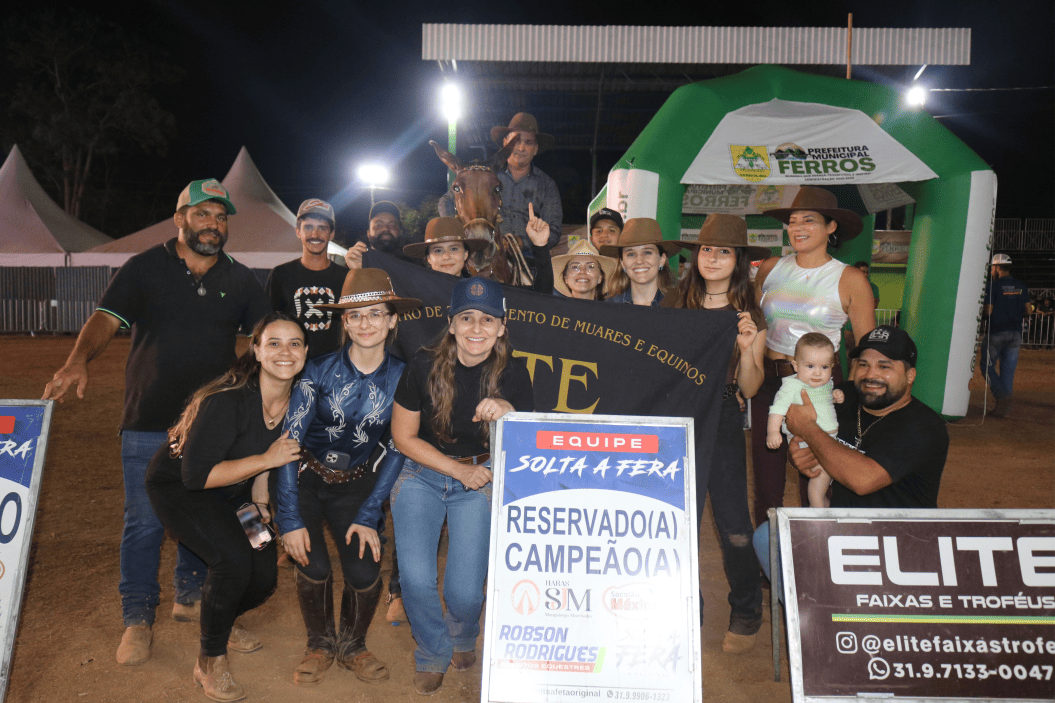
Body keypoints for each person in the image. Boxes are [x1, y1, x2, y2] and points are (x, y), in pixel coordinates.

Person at [41, 179, 270, 666]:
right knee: (144, 522)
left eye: (221, 217)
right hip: (148, 419)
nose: (213, 224)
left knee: (209, 513)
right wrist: (77, 360)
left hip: (212, 423)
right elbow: (106, 318)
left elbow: (266, 337)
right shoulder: (144, 267)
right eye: (203, 214)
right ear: (180, 218)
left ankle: (194, 599)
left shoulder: (241, 278)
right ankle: (138, 617)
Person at [145, 312, 307, 701]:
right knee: (232, 560)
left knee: (265, 571)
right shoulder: (228, 401)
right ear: (257, 350)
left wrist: (262, 502)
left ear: (305, 352)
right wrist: (266, 460)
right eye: (274, 343)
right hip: (183, 489)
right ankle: (210, 660)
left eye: (295, 343)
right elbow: (197, 477)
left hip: (236, 492)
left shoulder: (296, 402)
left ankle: (221, 615)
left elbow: (266, 461)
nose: (285, 352)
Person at [275, 269, 421, 686]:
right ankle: (320, 645)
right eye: (355, 315)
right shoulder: (316, 371)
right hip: (303, 478)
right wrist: (289, 518)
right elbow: (288, 444)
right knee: (314, 563)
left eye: (376, 313)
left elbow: (399, 447)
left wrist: (371, 512)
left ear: (392, 320)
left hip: (357, 484)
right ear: (345, 321)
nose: (365, 323)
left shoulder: (405, 376)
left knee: (364, 571)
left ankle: (353, 646)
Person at [390, 277, 534, 695]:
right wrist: (457, 471)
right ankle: (432, 651)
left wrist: (509, 410)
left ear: (502, 327)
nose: (476, 328)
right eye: (466, 318)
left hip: (481, 477)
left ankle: (463, 633)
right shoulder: (422, 365)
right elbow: (403, 438)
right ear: (451, 324)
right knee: (416, 579)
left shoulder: (515, 373)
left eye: (487, 319)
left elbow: (528, 444)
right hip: (422, 474)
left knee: (466, 592)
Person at [753, 326, 950, 586]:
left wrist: (809, 430)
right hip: (838, 530)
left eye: (884, 367)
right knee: (767, 537)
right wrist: (799, 456)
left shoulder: (923, 426)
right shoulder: (841, 396)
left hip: (899, 542)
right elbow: (803, 435)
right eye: (863, 364)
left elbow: (862, 480)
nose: (871, 374)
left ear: (910, 375)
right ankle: (809, 608)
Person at [661, 214, 769, 654]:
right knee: (674, 520)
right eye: (707, 249)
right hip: (675, 415)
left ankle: (747, 610)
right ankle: (686, 611)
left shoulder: (749, 314)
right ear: (696, 254)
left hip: (722, 412)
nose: (713, 258)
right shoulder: (674, 302)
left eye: (724, 251)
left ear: (737, 259)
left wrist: (746, 351)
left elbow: (750, 388)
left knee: (734, 523)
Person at [751, 186, 876, 525]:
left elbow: (866, 350)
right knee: (766, 478)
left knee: (816, 476)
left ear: (830, 227)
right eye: (793, 221)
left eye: (809, 220)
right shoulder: (770, 268)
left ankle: (817, 550)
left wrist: (847, 396)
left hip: (820, 387)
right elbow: (753, 324)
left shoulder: (849, 279)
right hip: (770, 381)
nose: (798, 228)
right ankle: (769, 553)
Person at [438, 112, 562, 255]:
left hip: (528, 256)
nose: (521, 148)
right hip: (487, 252)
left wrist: (522, 242)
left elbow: (554, 232)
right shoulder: (484, 176)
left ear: (535, 149)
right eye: (515, 141)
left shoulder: (547, 185)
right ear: (505, 143)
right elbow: (446, 201)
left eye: (528, 142)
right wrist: (459, 232)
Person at [766, 333, 844, 508]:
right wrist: (773, 431)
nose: (817, 372)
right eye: (810, 366)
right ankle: (820, 519)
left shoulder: (826, 384)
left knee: (823, 488)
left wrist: (835, 396)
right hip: (808, 444)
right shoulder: (792, 386)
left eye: (824, 367)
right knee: (816, 491)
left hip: (830, 441)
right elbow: (777, 409)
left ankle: (823, 513)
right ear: (795, 366)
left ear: (832, 367)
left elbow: (823, 403)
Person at [266, 199, 348, 359]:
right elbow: (269, 325)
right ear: (298, 231)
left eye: (322, 228)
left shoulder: (346, 276)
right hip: (293, 363)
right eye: (308, 227)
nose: (315, 235)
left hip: (335, 365)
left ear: (332, 234)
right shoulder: (281, 274)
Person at [984, 253, 1032, 417]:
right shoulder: (1021, 285)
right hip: (1015, 333)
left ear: (997, 268)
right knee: (1008, 372)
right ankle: (1003, 409)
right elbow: (1028, 311)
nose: (991, 271)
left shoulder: (993, 286)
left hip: (997, 332)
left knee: (986, 366)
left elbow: (988, 311)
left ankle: (1001, 397)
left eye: (992, 268)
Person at [600, 217, 679, 306]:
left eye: (647, 252)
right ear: (622, 263)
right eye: (631, 254)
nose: (639, 261)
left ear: (662, 259)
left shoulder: (678, 305)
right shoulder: (609, 306)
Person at [344, 201, 421, 269]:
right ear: (368, 234)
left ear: (400, 232)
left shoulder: (413, 267)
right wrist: (356, 271)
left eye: (392, 225)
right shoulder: (356, 264)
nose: (385, 229)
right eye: (378, 225)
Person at [551, 239, 618, 300]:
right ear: (566, 278)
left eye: (590, 267)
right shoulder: (554, 309)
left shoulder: (611, 309)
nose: (582, 271)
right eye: (575, 267)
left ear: (600, 277)